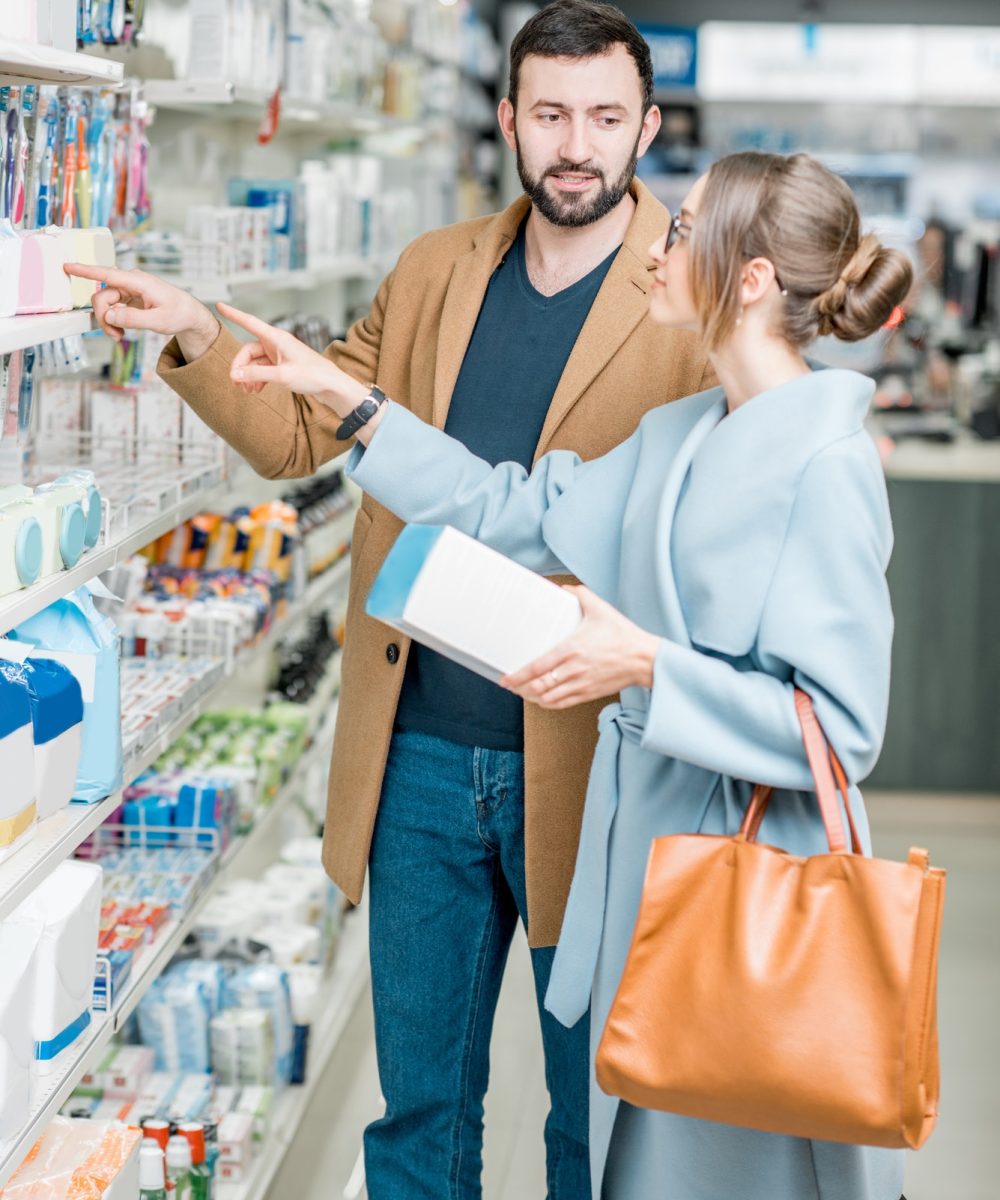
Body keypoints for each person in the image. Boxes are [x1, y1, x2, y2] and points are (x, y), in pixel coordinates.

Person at [66, 3, 712, 1194]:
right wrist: (198, 330)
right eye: (551, 114)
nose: (576, 146)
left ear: (647, 127)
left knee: (595, 1118)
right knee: (418, 1113)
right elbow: (301, 429)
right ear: (507, 119)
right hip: (419, 751)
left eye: (604, 117)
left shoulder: (690, 292)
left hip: (597, 766)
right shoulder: (433, 270)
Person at [189, 150, 914, 1200]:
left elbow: (841, 732)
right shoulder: (680, 433)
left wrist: (647, 666)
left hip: (743, 881)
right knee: (629, 1148)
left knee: (716, 1159)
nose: (658, 245)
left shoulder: (828, 465)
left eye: (684, 230)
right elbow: (512, 510)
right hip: (644, 856)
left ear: (751, 279)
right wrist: (349, 403)